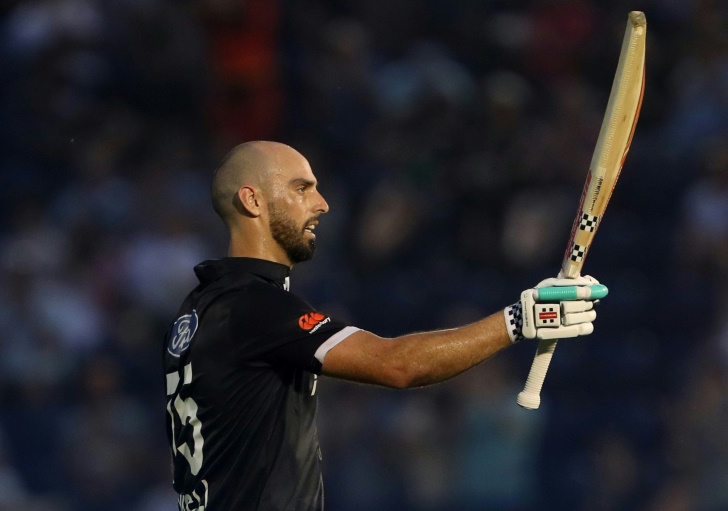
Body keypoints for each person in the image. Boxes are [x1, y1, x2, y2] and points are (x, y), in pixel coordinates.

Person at [163, 140, 604, 511]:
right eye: (301, 188)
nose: (322, 204)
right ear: (253, 200)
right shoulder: (255, 307)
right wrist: (521, 320)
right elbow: (396, 365)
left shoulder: (200, 308)